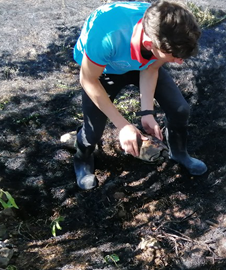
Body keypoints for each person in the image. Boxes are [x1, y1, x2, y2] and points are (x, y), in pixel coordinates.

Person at [72, 0, 207, 190]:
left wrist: (147, 113)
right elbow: (88, 80)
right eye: (175, 56)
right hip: (103, 70)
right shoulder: (106, 36)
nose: (179, 62)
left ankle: (179, 153)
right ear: (150, 43)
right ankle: (82, 158)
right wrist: (123, 126)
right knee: (93, 131)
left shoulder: (162, 26)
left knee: (179, 109)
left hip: (141, 61)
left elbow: (151, 67)